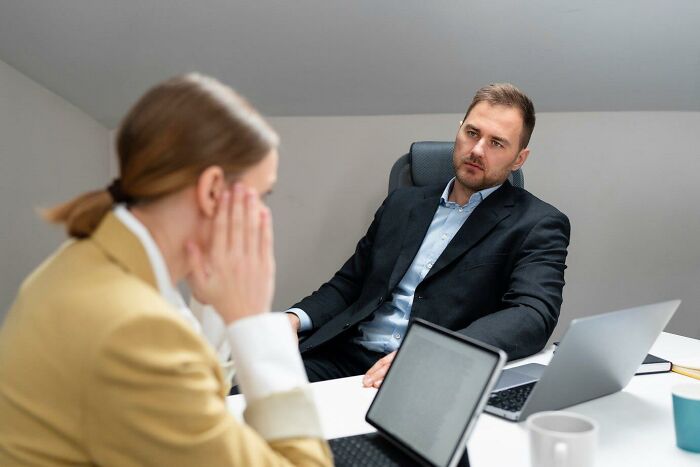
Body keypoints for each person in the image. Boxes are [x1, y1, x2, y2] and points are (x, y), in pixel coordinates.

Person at [0, 74, 331, 466]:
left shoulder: (87, 256)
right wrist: (255, 322)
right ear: (211, 191)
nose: (263, 216)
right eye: (260, 197)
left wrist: (220, 306)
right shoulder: (135, 329)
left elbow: (189, 405)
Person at [287, 83, 571, 386]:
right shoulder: (402, 203)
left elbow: (531, 314)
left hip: (430, 372)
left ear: (519, 159)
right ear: (459, 130)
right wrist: (293, 319)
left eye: (497, 143)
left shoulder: (538, 223)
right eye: (472, 133)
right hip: (345, 356)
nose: (476, 150)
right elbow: (350, 284)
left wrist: (431, 353)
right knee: (246, 403)